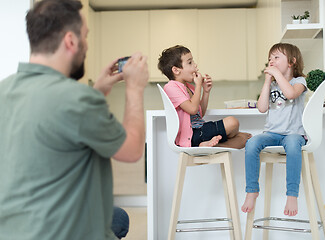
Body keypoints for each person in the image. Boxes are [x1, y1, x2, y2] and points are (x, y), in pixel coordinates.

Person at [0, 0, 148, 239]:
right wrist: (135, 89)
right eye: (85, 36)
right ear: (70, 41)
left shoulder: (4, 90)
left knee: (118, 217)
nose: (87, 45)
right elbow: (131, 151)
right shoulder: (75, 99)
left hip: (15, 230)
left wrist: (97, 90)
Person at [241, 43, 307, 217]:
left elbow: (291, 94)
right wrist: (268, 81)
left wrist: (277, 74)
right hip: (272, 133)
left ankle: (292, 194)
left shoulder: (299, 82)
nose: (272, 61)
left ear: (292, 62)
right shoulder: (272, 85)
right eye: (270, 58)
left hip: (294, 134)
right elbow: (262, 108)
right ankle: (252, 190)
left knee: (293, 146)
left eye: (276, 57)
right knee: (252, 143)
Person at [158, 45, 251, 148]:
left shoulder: (188, 87)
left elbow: (199, 113)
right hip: (192, 135)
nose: (195, 66)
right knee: (233, 122)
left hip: (200, 130)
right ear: (176, 70)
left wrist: (206, 91)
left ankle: (210, 146)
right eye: (190, 62)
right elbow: (193, 109)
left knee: (243, 139)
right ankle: (203, 145)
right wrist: (198, 86)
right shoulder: (171, 87)